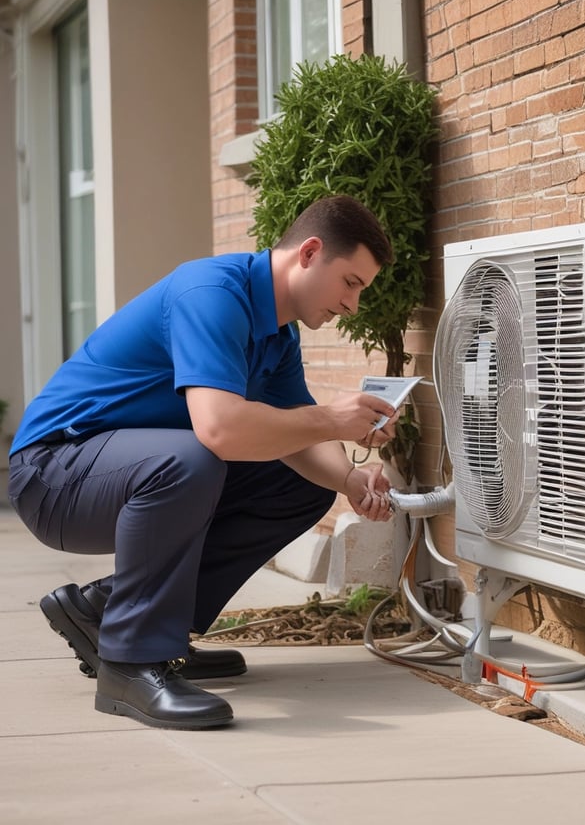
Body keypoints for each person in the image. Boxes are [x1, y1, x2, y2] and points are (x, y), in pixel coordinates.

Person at [8, 195, 400, 731]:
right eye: (350, 283)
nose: (352, 305)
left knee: (302, 486)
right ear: (309, 252)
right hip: (53, 474)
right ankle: (129, 664)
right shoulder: (212, 293)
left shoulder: (278, 334)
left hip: (124, 469)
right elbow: (220, 428)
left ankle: (128, 621)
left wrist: (351, 480)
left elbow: (296, 432)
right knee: (195, 454)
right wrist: (333, 420)